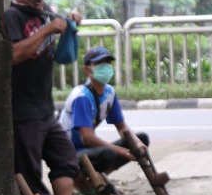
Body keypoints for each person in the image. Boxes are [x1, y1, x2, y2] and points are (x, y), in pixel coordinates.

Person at [5, 0, 89, 195]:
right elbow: (15, 54)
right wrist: (49, 29)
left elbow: (59, 43)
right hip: (22, 111)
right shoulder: (12, 16)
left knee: (65, 158)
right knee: (30, 174)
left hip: (44, 108)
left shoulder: (47, 13)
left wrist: (68, 22)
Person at [57, 46, 149, 185]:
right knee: (109, 153)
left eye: (108, 63)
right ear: (88, 69)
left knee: (141, 138)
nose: (105, 67)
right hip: (68, 153)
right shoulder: (81, 96)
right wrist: (122, 151)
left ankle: (98, 181)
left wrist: (136, 143)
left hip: (86, 150)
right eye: (99, 64)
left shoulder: (109, 93)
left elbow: (122, 126)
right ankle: (80, 184)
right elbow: (87, 138)